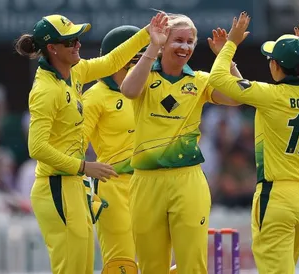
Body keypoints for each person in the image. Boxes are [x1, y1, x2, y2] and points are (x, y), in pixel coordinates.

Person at [15, 13, 166, 274]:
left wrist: (148, 33)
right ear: (52, 48)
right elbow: (36, 148)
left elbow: (111, 61)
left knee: (82, 268)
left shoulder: (74, 72)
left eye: (77, 39)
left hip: (72, 184)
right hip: (55, 185)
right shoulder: (45, 90)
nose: (78, 45)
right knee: (72, 268)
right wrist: (85, 167)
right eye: (71, 41)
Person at [208, 12, 299, 274]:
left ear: (276, 67)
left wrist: (231, 44)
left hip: (277, 199)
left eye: (271, 59)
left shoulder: (271, 95)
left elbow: (217, 80)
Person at [120, 13, 243, 274]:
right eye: (177, 40)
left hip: (187, 180)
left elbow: (236, 97)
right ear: (164, 42)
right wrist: (152, 45)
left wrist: (226, 58)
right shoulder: (144, 73)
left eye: (189, 42)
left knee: (192, 265)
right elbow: (128, 91)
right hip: (146, 181)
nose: (184, 47)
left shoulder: (199, 80)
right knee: (152, 267)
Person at [81, 25, 145, 272]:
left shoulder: (150, 91)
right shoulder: (95, 97)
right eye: (132, 60)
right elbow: (75, 145)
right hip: (114, 187)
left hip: (151, 184)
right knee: (122, 264)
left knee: (157, 262)